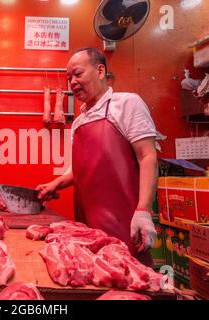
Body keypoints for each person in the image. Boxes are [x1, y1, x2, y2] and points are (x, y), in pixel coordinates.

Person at [36, 48, 158, 266]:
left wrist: (143, 211)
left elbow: (147, 156)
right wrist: (54, 184)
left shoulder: (127, 103)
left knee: (129, 287)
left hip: (124, 224)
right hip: (88, 229)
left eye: (78, 74)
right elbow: (84, 168)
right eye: (68, 78)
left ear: (100, 71)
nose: (72, 82)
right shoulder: (79, 121)